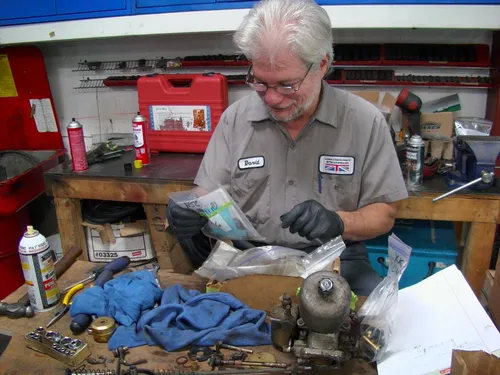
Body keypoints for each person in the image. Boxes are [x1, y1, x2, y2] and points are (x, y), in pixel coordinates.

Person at [166, 0, 408, 296]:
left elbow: (384, 213)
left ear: (321, 65)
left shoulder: (364, 122)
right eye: (260, 82)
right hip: (250, 260)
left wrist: (337, 221)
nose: (270, 99)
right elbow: (208, 195)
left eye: (286, 85)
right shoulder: (235, 120)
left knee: (375, 322)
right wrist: (190, 209)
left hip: (336, 258)